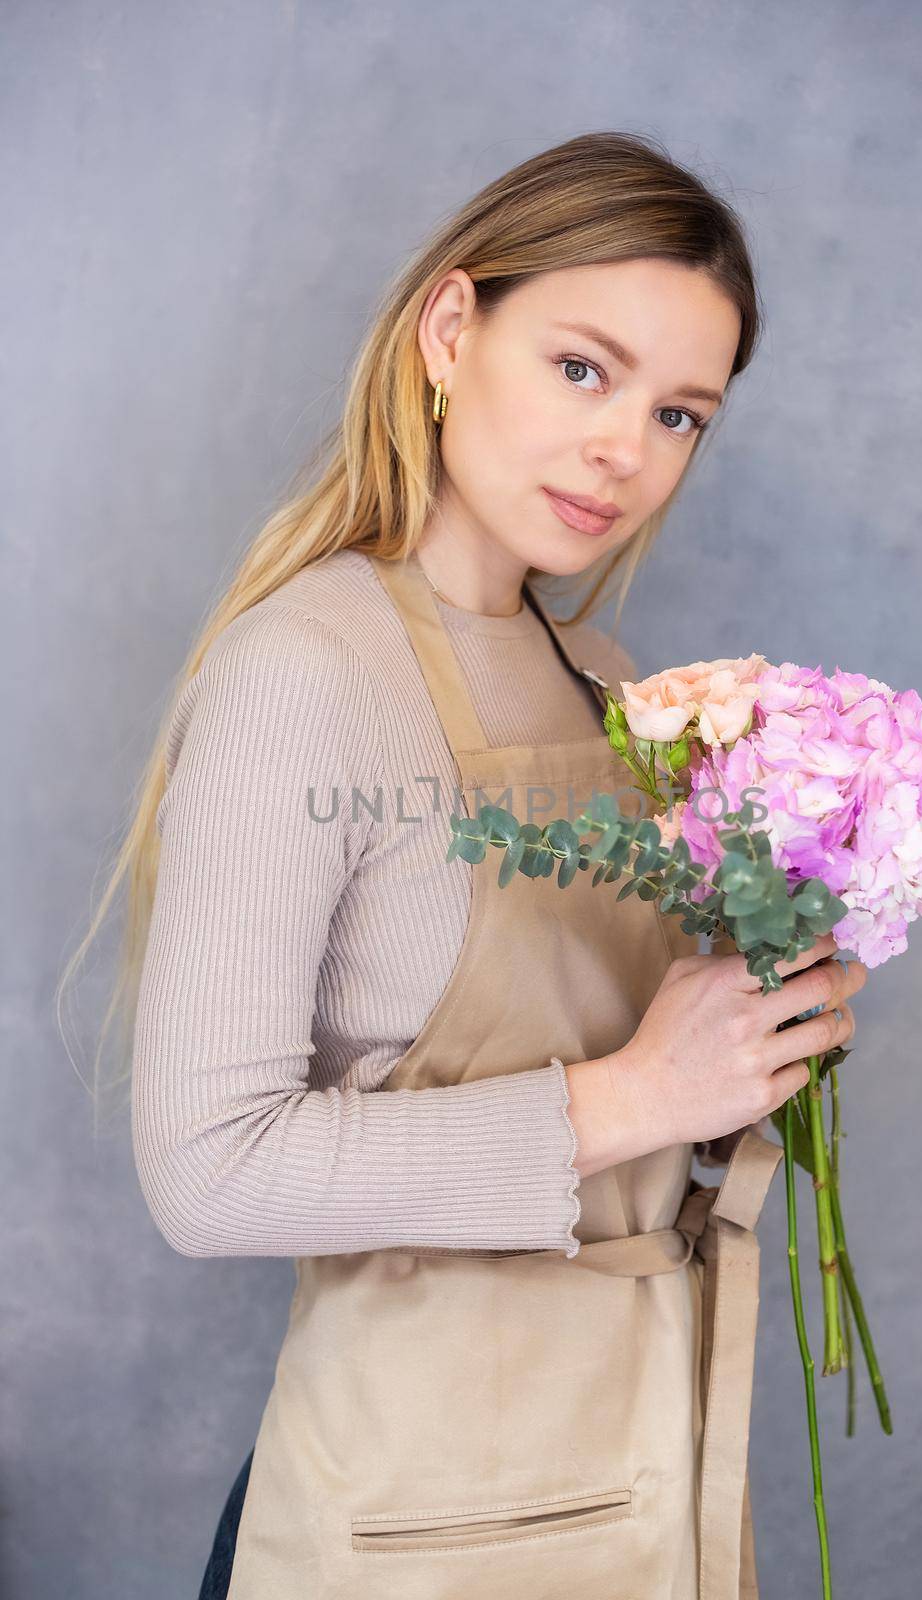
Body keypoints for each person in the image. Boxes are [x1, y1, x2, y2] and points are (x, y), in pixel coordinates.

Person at [64, 129, 866, 1600]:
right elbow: (209, 1174)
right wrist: (635, 1094)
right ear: (451, 330)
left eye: (682, 413)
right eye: (584, 368)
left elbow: (627, 1123)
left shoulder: (608, 684)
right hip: (427, 1514)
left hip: (636, 1470)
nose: (627, 447)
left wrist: (753, 1049)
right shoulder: (307, 667)